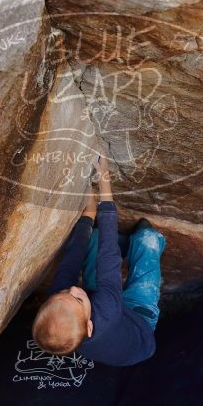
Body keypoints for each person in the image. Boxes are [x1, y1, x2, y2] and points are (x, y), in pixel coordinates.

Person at [32, 155, 166, 366]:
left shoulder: (64, 304)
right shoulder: (107, 310)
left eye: (62, 293)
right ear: (89, 327)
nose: (72, 290)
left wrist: (88, 215)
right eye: (76, 298)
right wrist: (104, 178)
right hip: (139, 326)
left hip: (104, 313)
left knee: (93, 238)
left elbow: (71, 261)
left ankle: (125, 243)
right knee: (146, 240)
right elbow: (108, 257)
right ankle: (139, 242)